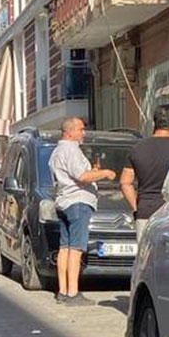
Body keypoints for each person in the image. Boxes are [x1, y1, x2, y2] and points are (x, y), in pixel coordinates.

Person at [50, 118, 117, 305]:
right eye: (81, 129)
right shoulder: (70, 150)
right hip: (77, 202)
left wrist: (93, 170)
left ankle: (63, 290)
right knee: (76, 249)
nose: (84, 133)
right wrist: (105, 173)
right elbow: (82, 176)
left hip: (64, 201)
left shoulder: (57, 151)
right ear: (69, 132)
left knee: (64, 247)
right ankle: (73, 293)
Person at [120, 104, 169, 240]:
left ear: (154, 123)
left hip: (146, 212)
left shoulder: (137, 148)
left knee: (146, 257)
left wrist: (136, 207)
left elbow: (125, 183)